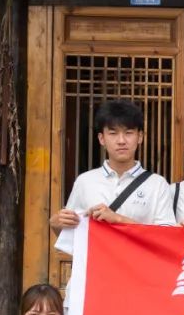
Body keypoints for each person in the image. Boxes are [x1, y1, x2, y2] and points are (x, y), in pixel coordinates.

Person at [50, 99, 176, 238]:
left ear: (140, 137)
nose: (121, 141)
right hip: (96, 254)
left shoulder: (157, 184)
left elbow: (167, 237)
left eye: (128, 133)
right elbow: (71, 237)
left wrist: (118, 219)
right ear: (101, 138)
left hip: (137, 254)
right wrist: (56, 225)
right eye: (113, 133)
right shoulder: (84, 181)